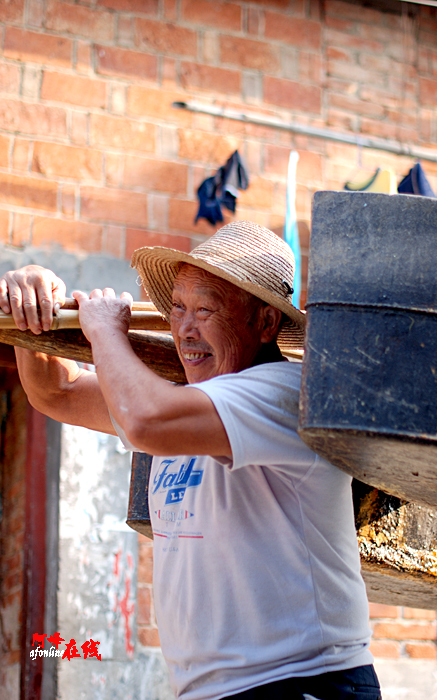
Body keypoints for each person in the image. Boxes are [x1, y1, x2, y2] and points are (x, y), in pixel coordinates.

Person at [0, 221, 381, 700]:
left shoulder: (287, 394)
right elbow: (58, 392)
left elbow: (143, 420)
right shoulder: (185, 400)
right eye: (178, 307)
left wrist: (104, 331)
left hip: (302, 683)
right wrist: (29, 313)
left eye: (206, 309)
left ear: (265, 322)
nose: (184, 329)